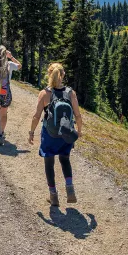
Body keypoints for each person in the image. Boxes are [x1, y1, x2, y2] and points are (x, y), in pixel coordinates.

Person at [28, 63, 83, 206]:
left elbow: (36, 116)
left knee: (49, 163)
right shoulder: (71, 93)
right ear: (63, 75)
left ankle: (53, 196)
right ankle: (70, 188)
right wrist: (79, 131)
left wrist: (32, 132)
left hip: (50, 134)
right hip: (66, 134)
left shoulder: (44, 93)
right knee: (65, 160)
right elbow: (77, 115)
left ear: (49, 74)